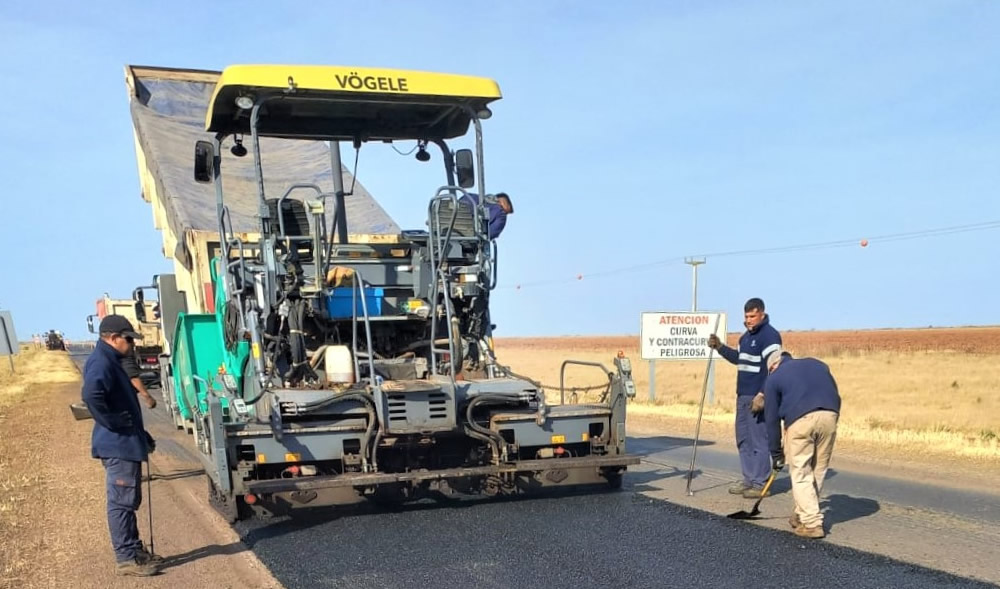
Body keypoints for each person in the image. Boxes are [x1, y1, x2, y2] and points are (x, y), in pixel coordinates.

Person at [81, 315, 160, 576]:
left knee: (128, 500)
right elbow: (92, 395)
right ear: (113, 338)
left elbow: (123, 405)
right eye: (128, 339)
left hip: (126, 441)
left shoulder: (112, 360)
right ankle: (126, 558)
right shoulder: (101, 362)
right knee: (121, 503)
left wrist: (141, 435)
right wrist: (113, 422)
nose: (131, 344)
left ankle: (134, 550)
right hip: (117, 445)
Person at [763, 347, 841, 539]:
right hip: (830, 415)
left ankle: (812, 523)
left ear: (773, 366)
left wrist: (775, 453)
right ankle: (801, 513)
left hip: (800, 422)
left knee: (800, 471)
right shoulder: (818, 364)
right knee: (818, 469)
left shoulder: (773, 378)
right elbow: (835, 394)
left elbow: (771, 419)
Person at [707, 297, 782, 498]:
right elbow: (738, 359)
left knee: (759, 440)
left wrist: (763, 394)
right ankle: (749, 479)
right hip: (742, 395)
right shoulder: (745, 338)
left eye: (752, 316)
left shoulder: (770, 336)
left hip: (758, 396)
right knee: (743, 439)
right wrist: (720, 347)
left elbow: (774, 369)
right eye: (746, 316)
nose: (749, 320)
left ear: (762, 314)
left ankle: (760, 483)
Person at [121, 341, 157, 410]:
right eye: (130, 340)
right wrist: (147, 396)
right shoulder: (124, 354)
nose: (133, 343)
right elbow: (133, 377)